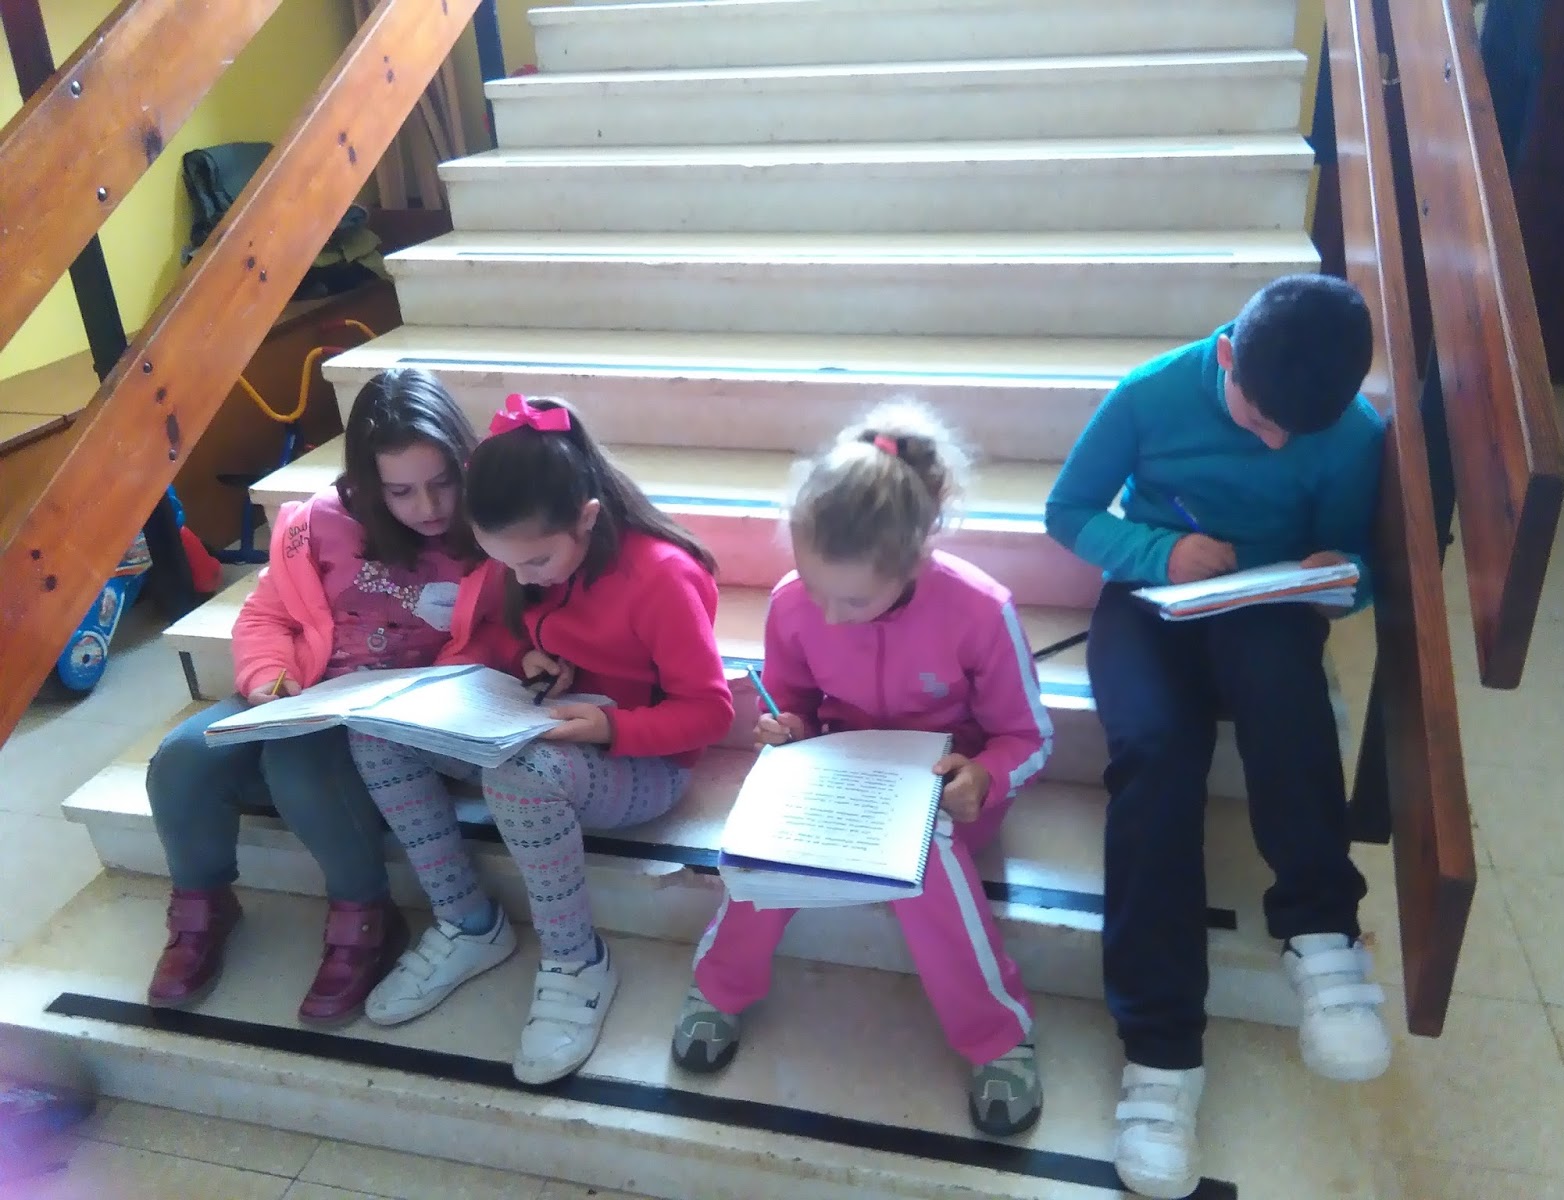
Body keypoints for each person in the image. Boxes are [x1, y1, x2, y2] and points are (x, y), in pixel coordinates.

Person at [1044, 274, 1391, 1198]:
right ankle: (1160, 1057)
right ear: (1227, 355)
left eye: (1295, 433)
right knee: (1155, 756)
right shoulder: (1149, 393)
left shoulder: (1351, 430)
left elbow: (1359, 561)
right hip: (1149, 599)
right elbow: (1068, 512)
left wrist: (1343, 576)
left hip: (1266, 603)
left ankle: (1321, 931)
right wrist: (1161, 552)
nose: (1275, 441)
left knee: (1286, 692)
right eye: (1260, 419)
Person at [673, 400, 1053, 1138]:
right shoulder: (793, 604)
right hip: (842, 771)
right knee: (761, 846)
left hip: (946, 788)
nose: (829, 615)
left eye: (852, 599)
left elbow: (1027, 735)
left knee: (926, 859)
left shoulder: (981, 611)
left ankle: (997, 1037)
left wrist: (985, 777)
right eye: (814, 587)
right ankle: (717, 987)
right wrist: (789, 729)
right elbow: (795, 703)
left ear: (914, 561)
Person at [349, 394, 734, 1085]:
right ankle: (468, 923)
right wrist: (524, 655)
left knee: (520, 778)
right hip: (541, 727)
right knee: (378, 736)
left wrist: (612, 725)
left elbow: (708, 711)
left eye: (535, 562)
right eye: (507, 563)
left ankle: (575, 960)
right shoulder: (521, 551)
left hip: (642, 761)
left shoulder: (660, 576)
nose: (521, 576)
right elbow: (502, 630)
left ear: (587, 517)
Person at [144, 367, 482, 1025]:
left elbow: (504, 629)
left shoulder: (485, 527)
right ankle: (201, 909)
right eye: (401, 491)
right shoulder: (319, 525)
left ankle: (365, 915)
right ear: (367, 484)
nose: (428, 507)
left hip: (400, 720)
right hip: (306, 692)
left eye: (443, 482)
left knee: (297, 765)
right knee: (183, 758)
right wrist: (269, 683)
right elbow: (266, 615)